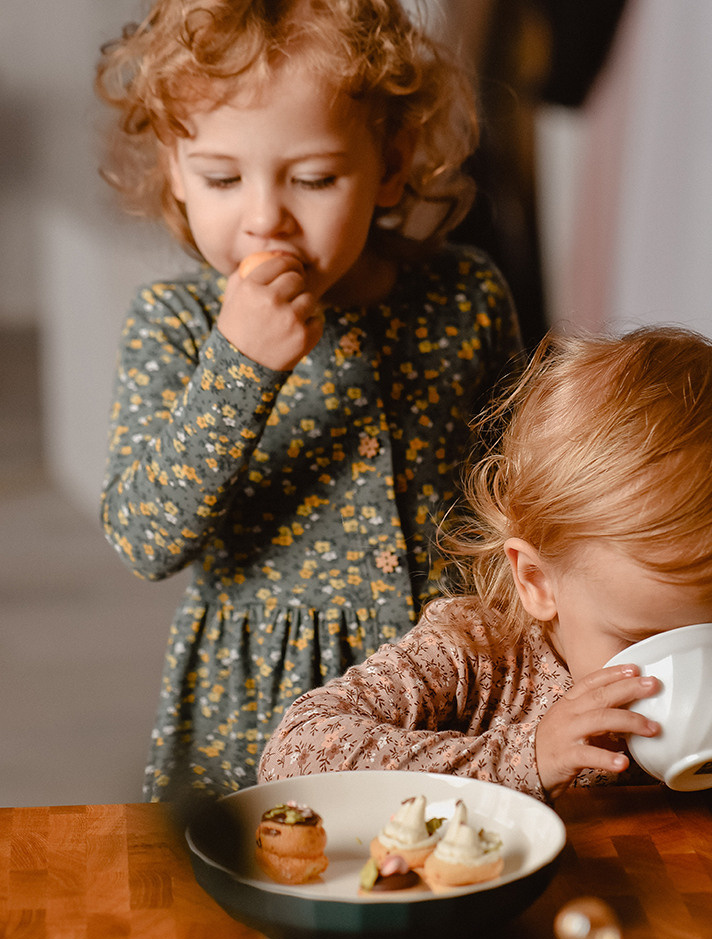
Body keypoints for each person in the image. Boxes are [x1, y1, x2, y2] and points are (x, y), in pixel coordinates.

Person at [95, 0, 521, 800]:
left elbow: (520, 494)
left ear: (390, 163)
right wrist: (238, 366)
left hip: (440, 685)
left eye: (315, 178)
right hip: (261, 697)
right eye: (222, 178)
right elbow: (143, 536)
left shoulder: (463, 298)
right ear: (175, 172)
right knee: (259, 888)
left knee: (444, 867)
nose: (265, 220)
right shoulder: (176, 324)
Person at [259, 325, 712, 800]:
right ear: (537, 582)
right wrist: (527, 757)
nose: (702, 659)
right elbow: (294, 755)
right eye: (645, 638)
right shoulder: (478, 655)